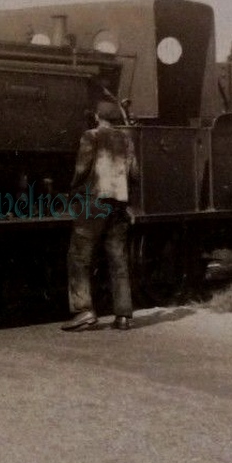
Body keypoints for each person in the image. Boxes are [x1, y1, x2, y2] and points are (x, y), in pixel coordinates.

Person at [63, 100, 139, 331]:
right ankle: (123, 315)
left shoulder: (91, 136)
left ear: (97, 116)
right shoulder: (126, 139)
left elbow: (82, 169)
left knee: (79, 257)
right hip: (119, 204)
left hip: (94, 203)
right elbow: (135, 173)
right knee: (118, 259)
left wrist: (72, 190)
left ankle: (83, 311)